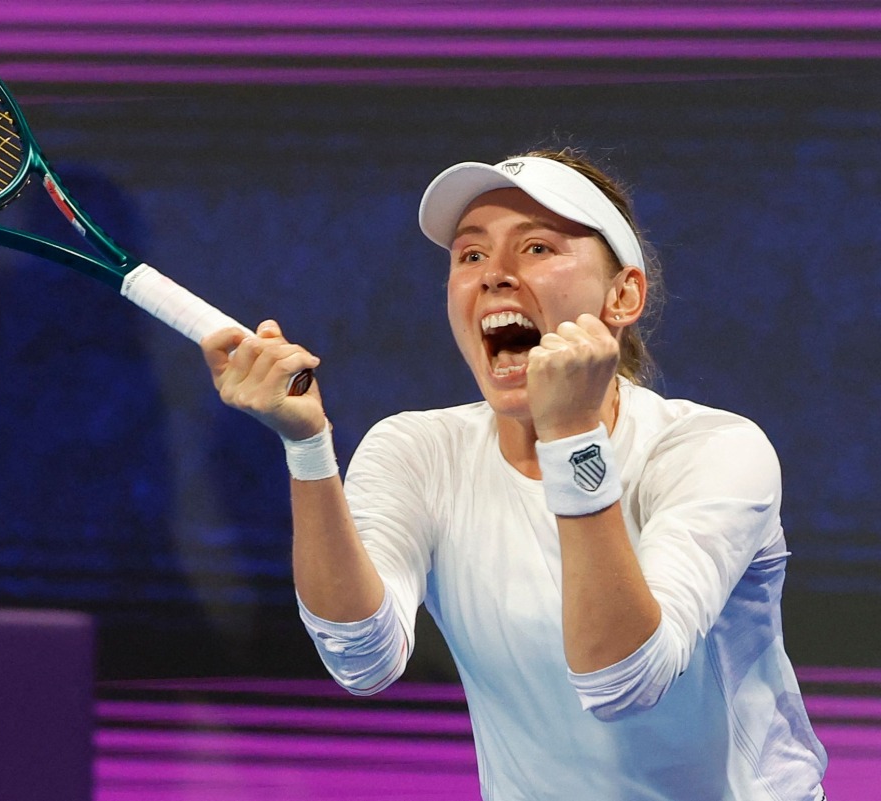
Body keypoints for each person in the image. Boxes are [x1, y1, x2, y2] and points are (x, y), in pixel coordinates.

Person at [200, 148, 828, 799]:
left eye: (536, 249)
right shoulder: (417, 450)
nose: (494, 275)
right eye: (471, 255)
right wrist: (307, 446)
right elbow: (363, 659)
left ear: (624, 294)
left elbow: (624, 682)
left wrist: (571, 437)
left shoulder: (714, 450)